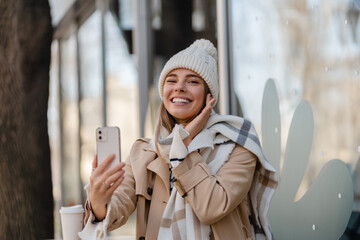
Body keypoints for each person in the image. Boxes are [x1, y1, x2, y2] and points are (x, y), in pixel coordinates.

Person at [79, 39, 278, 240]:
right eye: (171, 80)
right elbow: (119, 206)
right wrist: (98, 203)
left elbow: (212, 208)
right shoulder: (144, 152)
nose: (180, 87)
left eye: (192, 81)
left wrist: (183, 146)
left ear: (210, 96)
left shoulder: (238, 146)